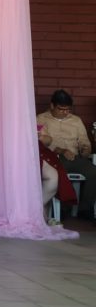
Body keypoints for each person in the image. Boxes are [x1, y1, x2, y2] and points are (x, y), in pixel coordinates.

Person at [37, 89, 96, 219]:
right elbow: (41, 143)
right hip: (53, 158)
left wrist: (85, 149)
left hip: (74, 157)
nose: (65, 112)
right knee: (58, 174)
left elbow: (84, 140)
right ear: (52, 106)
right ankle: (63, 208)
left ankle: (84, 209)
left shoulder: (76, 120)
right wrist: (61, 150)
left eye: (68, 110)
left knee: (93, 172)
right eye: (61, 109)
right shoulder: (41, 119)